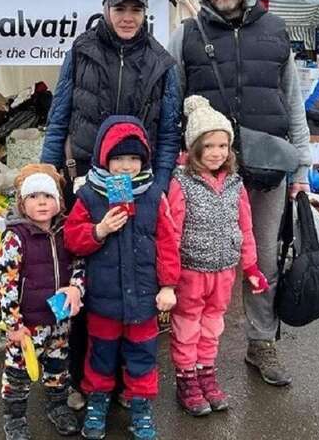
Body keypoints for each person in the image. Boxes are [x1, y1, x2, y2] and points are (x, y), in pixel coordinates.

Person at [167, 0, 312, 387]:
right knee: (194, 259)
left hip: (267, 168)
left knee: (262, 258)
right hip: (206, 174)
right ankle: (190, 352)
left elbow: (293, 103)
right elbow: (172, 105)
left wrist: (301, 169)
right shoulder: (187, 36)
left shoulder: (275, 31)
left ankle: (261, 341)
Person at [40, 0, 182, 408]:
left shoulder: (163, 63)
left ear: (145, 13)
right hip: (86, 179)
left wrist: (159, 185)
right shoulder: (81, 50)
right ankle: (84, 380)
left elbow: (168, 132)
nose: (127, 16)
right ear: (105, 8)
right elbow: (60, 113)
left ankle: (125, 382)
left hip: (140, 184)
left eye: (135, 8)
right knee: (86, 276)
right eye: (120, 7)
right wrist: (48, 172)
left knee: (133, 278)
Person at [64, 116, 179, 440]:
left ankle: (140, 407)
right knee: (100, 354)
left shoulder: (153, 195)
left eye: (133, 158)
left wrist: (168, 285)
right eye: (118, 158)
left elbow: (168, 243)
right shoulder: (89, 195)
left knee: (143, 356)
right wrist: (99, 230)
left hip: (144, 299)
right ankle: (97, 403)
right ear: (104, 158)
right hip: (103, 299)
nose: (126, 166)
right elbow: (72, 239)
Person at [166, 96, 269, 416]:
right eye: (208, 145)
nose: (216, 152)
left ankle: (206, 374)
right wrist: (168, 278)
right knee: (187, 326)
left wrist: (251, 266)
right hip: (191, 271)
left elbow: (245, 226)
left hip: (224, 271)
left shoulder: (236, 183)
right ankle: (186, 379)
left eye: (223, 145)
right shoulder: (182, 182)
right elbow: (172, 231)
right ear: (194, 148)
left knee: (212, 325)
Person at [0, 164, 85, 440]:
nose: (42, 202)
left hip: (59, 318)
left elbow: (80, 264)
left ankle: (57, 407)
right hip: (27, 324)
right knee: (18, 373)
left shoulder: (67, 230)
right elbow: (6, 283)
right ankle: (15, 418)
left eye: (48, 196)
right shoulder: (16, 237)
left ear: (58, 201)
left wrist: (76, 288)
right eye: (33, 197)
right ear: (22, 204)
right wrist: (13, 323)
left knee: (58, 367)